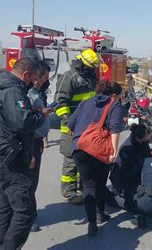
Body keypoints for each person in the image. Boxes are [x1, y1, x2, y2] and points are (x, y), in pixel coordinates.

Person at [0, 57, 52, 250]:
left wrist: (30, 112)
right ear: (26, 74)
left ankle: (1, 246)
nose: (34, 83)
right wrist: (40, 115)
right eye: (34, 78)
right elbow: (22, 123)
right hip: (9, 157)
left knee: (5, 207)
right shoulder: (14, 90)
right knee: (25, 211)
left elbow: (10, 117)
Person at [67, 80, 123, 237]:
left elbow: (71, 125)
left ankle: (92, 223)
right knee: (99, 183)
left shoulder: (86, 102)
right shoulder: (114, 104)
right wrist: (113, 150)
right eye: (118, 96)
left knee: (88, 185)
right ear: (113, 95)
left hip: (79, 148)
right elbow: (115, 129)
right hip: (99, 150)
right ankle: (100, 214)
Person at [55, 49, 99, 204]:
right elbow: (60, 103)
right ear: (82, 63)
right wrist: (68, 123)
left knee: (85, 159)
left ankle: (82, 187)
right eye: (91, 67)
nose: (93, 69)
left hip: (88, 127)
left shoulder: (91, 77)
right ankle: (69, 192)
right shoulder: (69, 77)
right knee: (71, 161)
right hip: (71, 127)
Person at [27, 60, 51, 232]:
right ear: (35, 77)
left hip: (37, 141)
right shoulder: (29, 95)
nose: (45, 82)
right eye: (44, 78)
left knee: (33, 180)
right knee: (28, 181)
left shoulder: (37, 93)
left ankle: (29, 212)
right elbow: (26, 124)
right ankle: (26, 217)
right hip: (30, 142)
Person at [110, 123, 152, 211]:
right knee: (134, 203)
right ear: (139, 138)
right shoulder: (127, 148)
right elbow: (127, 174)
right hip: (122, 179)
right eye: (148, 136)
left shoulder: (141, 142)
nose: (149, 138)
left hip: (133, 174)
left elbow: (148, 156)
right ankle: (111, 198)